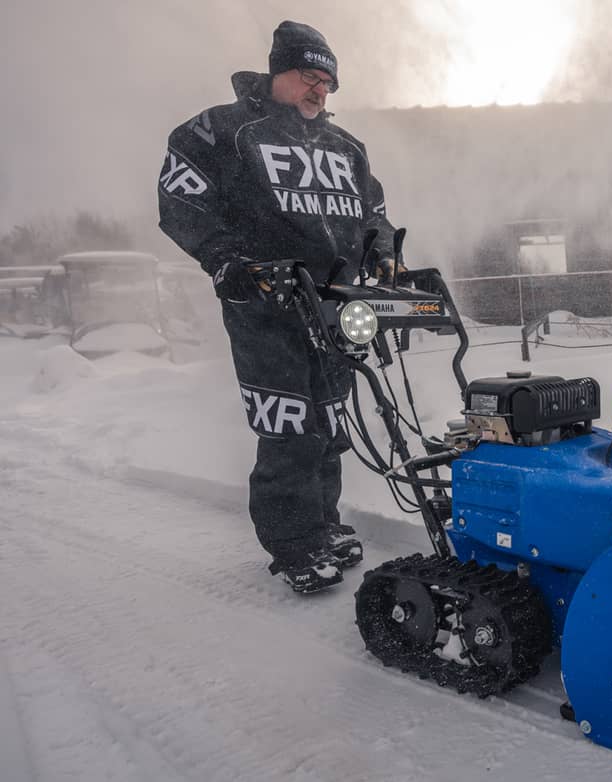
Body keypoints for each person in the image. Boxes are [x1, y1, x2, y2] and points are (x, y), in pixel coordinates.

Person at [158, 20, 398, 593]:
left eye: (328, 83)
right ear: (278, 72)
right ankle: (294, 544)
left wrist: (384, 252)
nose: (320, 90)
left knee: (331, 417)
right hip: (267, 299)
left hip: (335, 304)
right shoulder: (224, 130)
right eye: (310, 77)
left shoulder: (347, 148)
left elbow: (374, 214)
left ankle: (326, 524)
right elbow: (180, 198)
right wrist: (225, 261)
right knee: (289, 420)